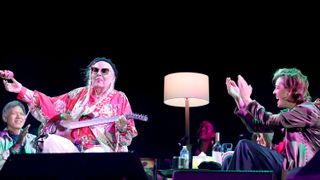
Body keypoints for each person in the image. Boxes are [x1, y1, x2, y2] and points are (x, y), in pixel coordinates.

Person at [0, 57, 138, 153]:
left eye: (104, 71)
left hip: (103, 150)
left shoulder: (120, 98)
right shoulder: (78, 94)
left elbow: (127, 136)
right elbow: (50, 104)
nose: (98, 73)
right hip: (74, 147)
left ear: (113, 77)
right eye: (94, 70)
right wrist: (21, 89)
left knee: (94, 154)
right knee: (51, 142)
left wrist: (122, 127)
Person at [225, 68, 320, 179]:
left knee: (245, 146)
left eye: (277, 87)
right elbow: (257, 125)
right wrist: (239, 99)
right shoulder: (291, 114)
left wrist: (248, 100)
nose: (274, 92)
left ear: (290, 90)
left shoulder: (308, 110)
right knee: (229, 158)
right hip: (288, 168)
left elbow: (269, 119)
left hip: (302, 171)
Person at [0, 100, 37, 170]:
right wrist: (17, 145)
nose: (19, 116)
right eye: (14, 113)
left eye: (21, 114)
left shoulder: (33, 139)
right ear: (5, 118)